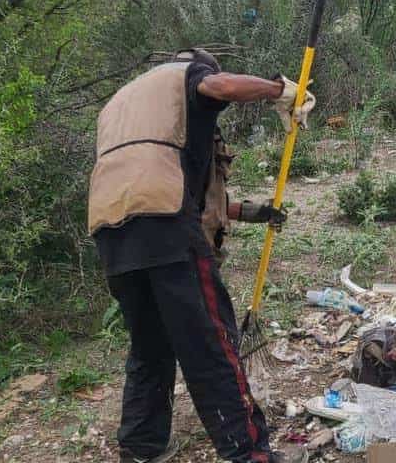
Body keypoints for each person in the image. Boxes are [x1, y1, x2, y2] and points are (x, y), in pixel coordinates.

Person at [86, 49, 315, 463]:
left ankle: (140, 449)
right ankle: (249, 454)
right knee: (210, 344)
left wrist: (252, 211)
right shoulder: (188, 75)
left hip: (110, 227)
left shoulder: (123, 104)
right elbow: (222, 86)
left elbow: (174, 188)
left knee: (149, 346)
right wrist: (281, 91)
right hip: (166, 229)